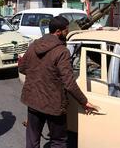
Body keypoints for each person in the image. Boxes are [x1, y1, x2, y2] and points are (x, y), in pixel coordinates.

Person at [19, 16, 98, 148]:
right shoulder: (62, 51)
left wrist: (38, 74)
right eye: (66, 30)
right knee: (58, 141)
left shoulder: (34, 45)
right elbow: (69, 83)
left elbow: (22, 68)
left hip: (33, 100)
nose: (67, 33)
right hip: (53, 104)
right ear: (58, 31)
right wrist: (84, 101)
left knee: (32, 139)